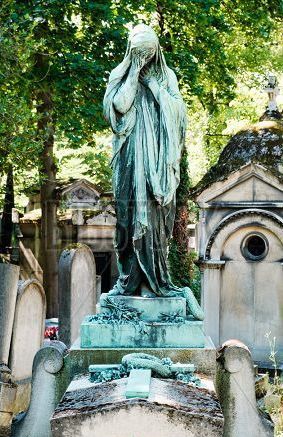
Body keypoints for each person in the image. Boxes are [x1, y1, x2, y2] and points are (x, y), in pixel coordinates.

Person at [103, 23, 187, 297]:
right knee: (126, 219)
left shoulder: (166, 77)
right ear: (132, 50)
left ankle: (154, 282)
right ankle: (128, 279)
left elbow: (178, 112)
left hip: (158, 166)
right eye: (140, 53)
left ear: (156, 51)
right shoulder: (120, 73)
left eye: (149, 53)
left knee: (155, 222)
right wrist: (135, 72)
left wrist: (153, 86)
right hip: (129, 159)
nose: (146, 58)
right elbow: (119, 106)